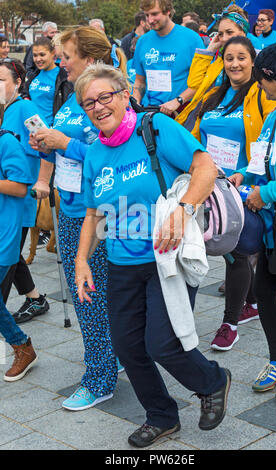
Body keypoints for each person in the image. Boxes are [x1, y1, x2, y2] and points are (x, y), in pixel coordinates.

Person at [74, 62, 231, 448]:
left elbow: (205, 167)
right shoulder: (95, 153)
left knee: (162, 343)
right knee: (128, 346)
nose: (97, 107)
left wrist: (184, 209)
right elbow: (94, 213)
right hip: (120, 264)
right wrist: (80, 261)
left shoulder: (154, 128)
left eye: (104, 97)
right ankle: (161, 416)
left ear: (125, 95)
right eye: (88, 102)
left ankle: (212, 381)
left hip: (165, 259)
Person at [29, 26, 127, 412]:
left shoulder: (109, 97)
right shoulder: (73, 94)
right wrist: (45, 143)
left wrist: (63, 143)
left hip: (95, 212)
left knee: (89, 294)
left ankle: (99, 377)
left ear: (88, 57)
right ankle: (110, 359)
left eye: (65, 55)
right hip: (70, 207)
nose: (59, 62)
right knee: (93, 293)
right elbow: (67, 147)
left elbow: (113, 155)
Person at [192, 36, 276, 350]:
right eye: (229, 58)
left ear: (252, 61)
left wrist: (249, 174)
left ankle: (230, 323)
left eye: (242, 57)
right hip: (213, 185)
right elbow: (195, 134)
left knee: (236, 252)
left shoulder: (261, 94)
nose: (235, 64)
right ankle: (251, 302)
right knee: (229, 248)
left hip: (244, 188)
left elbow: (269, 140)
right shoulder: (215, 95)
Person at [230, 41, 276, 403]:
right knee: (265, 292)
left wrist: (266, 193)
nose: (258, 82)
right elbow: (261, 160)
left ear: (271, 77)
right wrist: (243, 175)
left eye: (260, 75)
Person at [0, 59, 49, 323]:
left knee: (6, 256)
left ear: (18, 83)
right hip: (4, 197)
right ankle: (34, 298)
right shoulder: (3, 109)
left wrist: (42, 182)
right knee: (10, 253)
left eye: (1, 80)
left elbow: (46, 142)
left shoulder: (25, 107)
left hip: (19, 196)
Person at [0, 104, 38, 382]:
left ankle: (21, 346)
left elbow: (19, 187)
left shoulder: (7, 142)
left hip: (3, 235)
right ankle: (21, 345)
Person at [176, 4, 258, 131]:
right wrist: (208, 51)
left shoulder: (256, 61)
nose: (224, 38)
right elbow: (194, 84)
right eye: (220, 34)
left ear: (243, 32)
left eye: (229, 32)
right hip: (206, 123)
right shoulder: (219, 61)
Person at [132, 0, 204, 116]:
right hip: (152, 113)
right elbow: (139, 82)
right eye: (147, 15)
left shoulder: (192, 39)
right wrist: (135, 101)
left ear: (168, 11)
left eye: (155, 14)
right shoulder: (142, 41)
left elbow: (202, 81)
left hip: (183, 112)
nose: (150, 20)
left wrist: (178, 101)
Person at [23, 37, 73, 126]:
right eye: (35, 55)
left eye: (42, 55)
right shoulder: (33, 76)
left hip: (53, 130)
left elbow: (67, 106)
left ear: (53, 53)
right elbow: (25, 95)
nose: (38, 59)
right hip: (33, 129)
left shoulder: (63, 77)